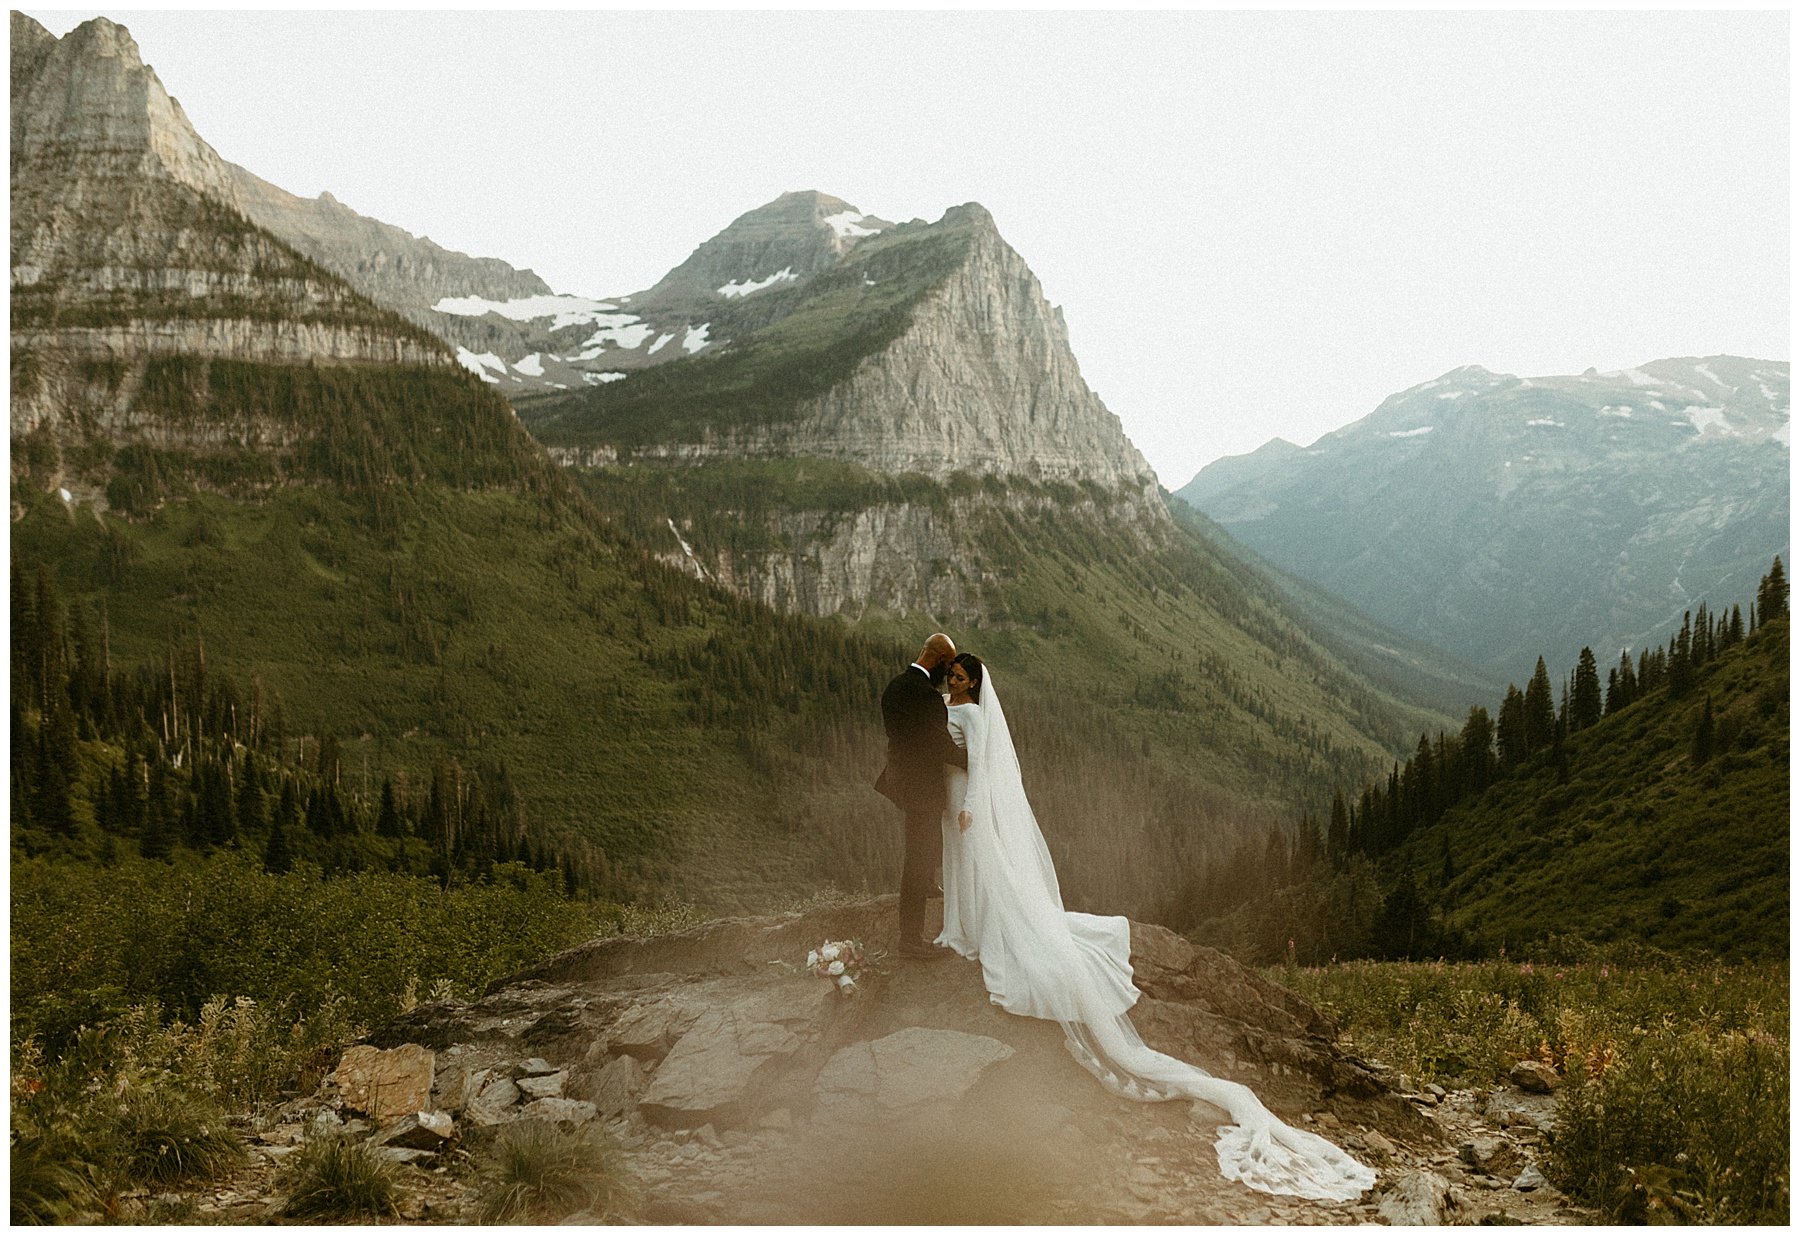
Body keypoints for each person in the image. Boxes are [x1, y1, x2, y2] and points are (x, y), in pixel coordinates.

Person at [930, 651, 1375, 1204]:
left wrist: (971, 808)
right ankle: (969, 925)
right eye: (951, 675)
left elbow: (980, 766)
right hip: (956, 800)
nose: (954, 682)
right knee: (970, 874)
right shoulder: (957, 704)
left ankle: (973, 929)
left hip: (965, 803)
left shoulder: (971, 714)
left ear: (974, 681)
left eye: (960, 676)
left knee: (978, 873)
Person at [875, 633, 966, 958]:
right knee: (916, 859)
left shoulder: (895, 686)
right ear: (941, 661)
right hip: (922, 788)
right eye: (948, 667)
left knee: (924, 848)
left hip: (902, 781)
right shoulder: (927, 697)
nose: (948, 676)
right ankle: (910, 941)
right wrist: (977, 761)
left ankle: (927, 883)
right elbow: (940, 747)